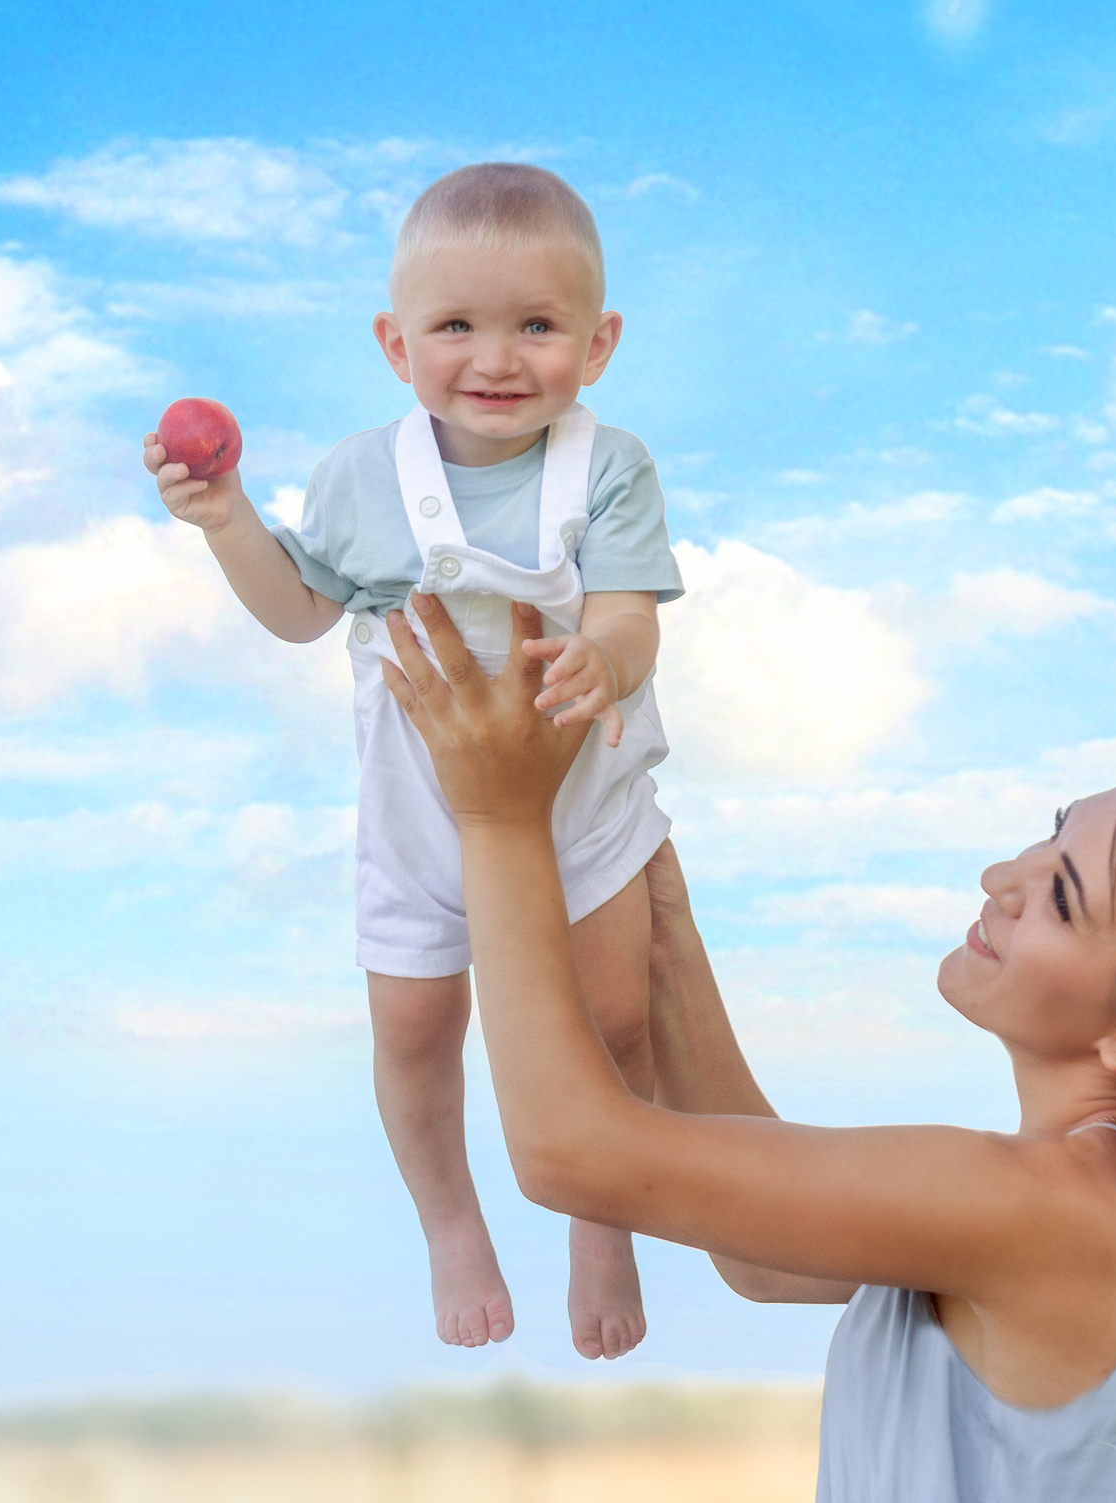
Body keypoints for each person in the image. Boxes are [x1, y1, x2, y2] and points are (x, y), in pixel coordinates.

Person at [379, 595, 1116, 1503]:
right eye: (1050, 832)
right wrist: (647, 902)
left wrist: (497, 816)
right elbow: (766, 1258)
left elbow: (569, 1150)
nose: (1003, 874)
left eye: (1060, 895)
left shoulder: (1054, 1211)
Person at [144, 164, 682, 1360]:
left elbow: (631, 611)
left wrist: (604, 654)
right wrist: (228, 521)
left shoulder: (607, 466)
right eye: (454, 328)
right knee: (416, 1029)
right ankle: (450, 1222)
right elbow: (299, 614)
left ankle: (603, 1217)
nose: (495, 359)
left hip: (577, 796)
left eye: (535, 326)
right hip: (419, 809)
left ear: (597, 344)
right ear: (396, 344)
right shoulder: (361, 476)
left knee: (612, 1016)